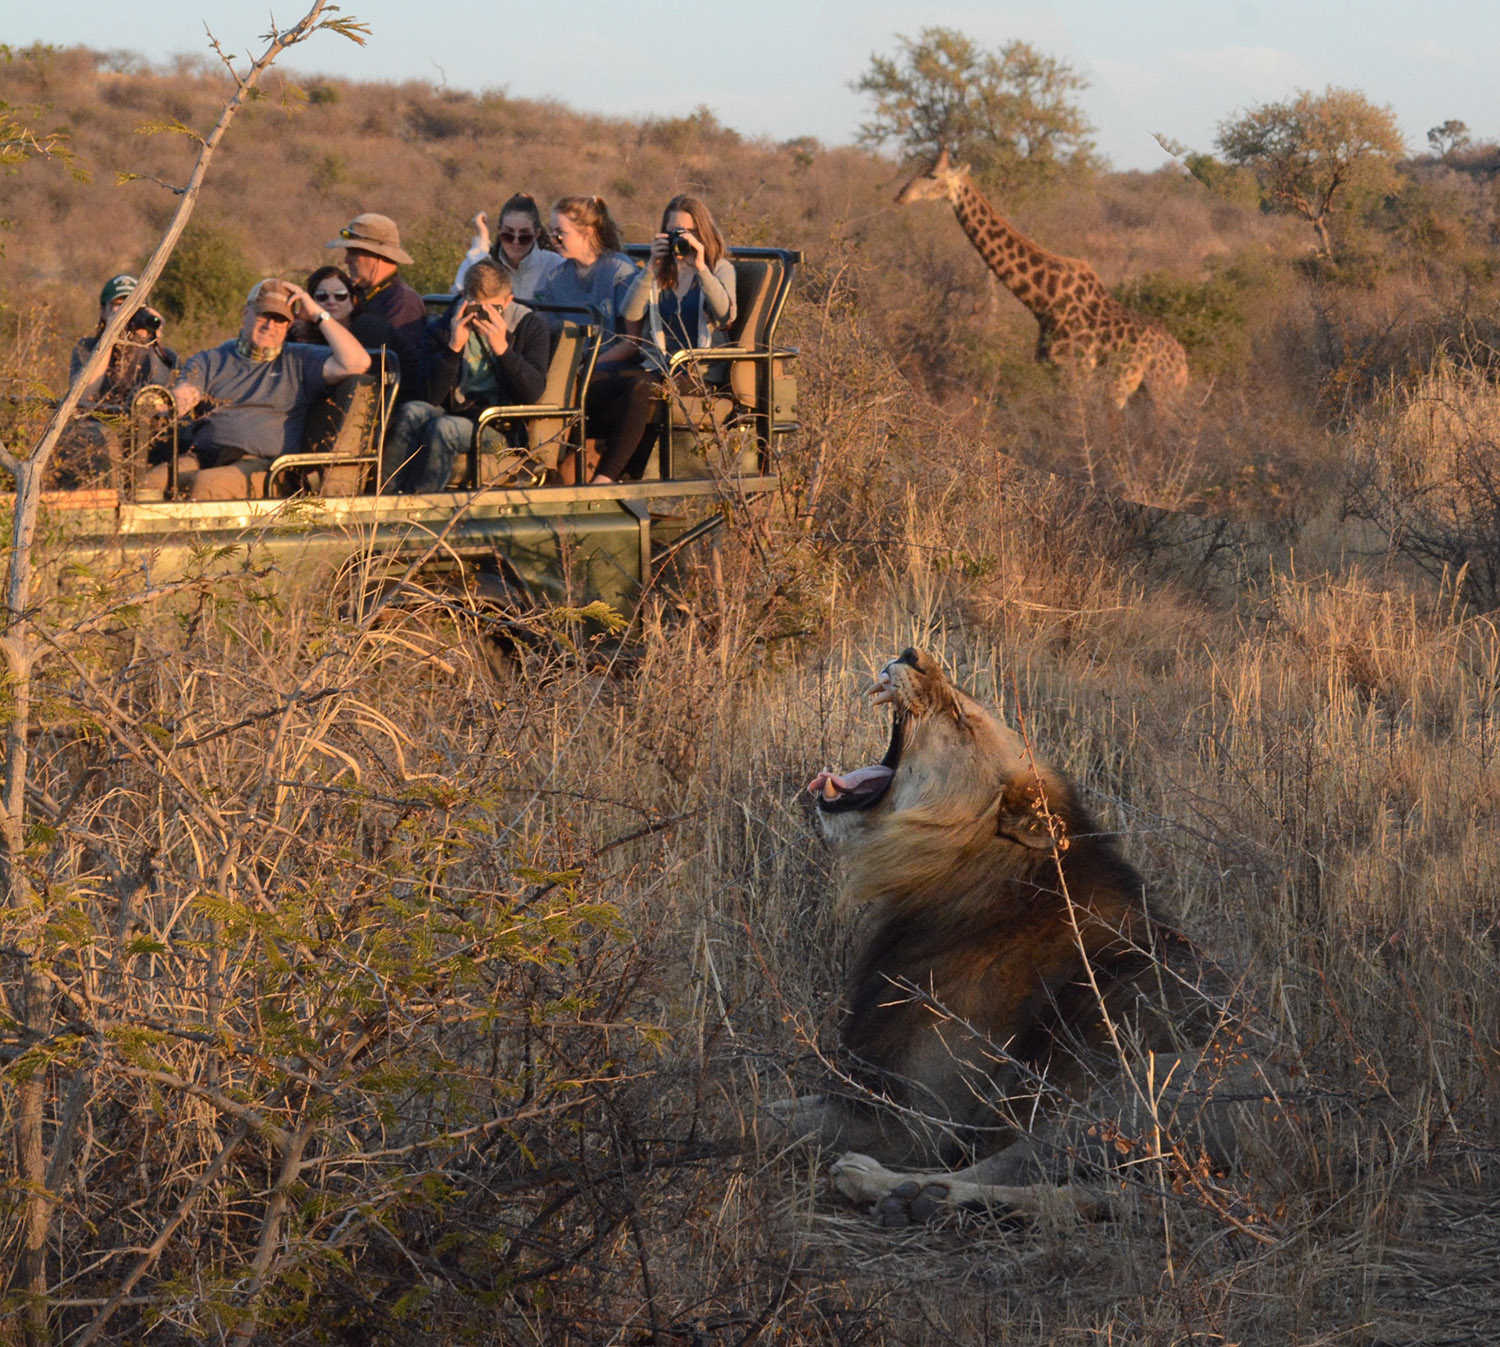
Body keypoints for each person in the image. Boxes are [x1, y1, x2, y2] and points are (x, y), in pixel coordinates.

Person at [139, 278, 370, 501]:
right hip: (205, 457)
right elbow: (184, 396)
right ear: (246, 314)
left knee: (206, 486)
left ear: (288, 325)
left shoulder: (300, 360)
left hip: (264, 467)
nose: (270, 326)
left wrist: (317, 312)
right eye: (263, 315)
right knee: (146, 486)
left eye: (279, 320)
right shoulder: (211, 359)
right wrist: (160, 406)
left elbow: (357, 362)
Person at [381, 258, 550, 492]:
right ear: (464, 298)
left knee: (444, 428)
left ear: (509, 300)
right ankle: (383, 498)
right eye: (476, 308)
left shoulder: (529, 326)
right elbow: (429, 398)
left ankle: (422, 509)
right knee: (410, 413)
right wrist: (453, 349)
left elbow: (532, 393)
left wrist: (503, 350)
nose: (483, 316)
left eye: (494, 309)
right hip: (453, 411)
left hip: (499, 427)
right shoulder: (442, 327)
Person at [530, 194, 652, 484]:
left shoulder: (618, 270)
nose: (554, 239)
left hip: (602, 367)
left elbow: (631, 342)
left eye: (561, 233)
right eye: (551, 232)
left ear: (588, 232)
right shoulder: (556, 276)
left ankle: (602, 476)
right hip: (566, 372)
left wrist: (587, 363)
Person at [54, 273, 178, 489]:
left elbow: (159, 397)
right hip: (98, 433)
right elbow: (85, 395)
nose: (126, 313)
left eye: (134, 306)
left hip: (145, 436)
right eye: (119, 305)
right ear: (102, 311)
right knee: (103, 437)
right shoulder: (86, 347)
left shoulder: (164, 355)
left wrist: (155, 339)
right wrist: (109, 339)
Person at [621, 194, 737, 382]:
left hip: (699, 373)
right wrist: (651, 267)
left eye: (690, 232)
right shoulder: (659, 271)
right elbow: (630, 313)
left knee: (639, 390)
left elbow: (725, 317)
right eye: (675, 232)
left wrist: (701, 268)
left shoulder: (720, 269)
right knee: (597, 381)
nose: (683, 239)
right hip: (656, 367)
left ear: (703, 234)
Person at [325, 213, 427, 401]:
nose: (347, 260)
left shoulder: (402, 302)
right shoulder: (365, 295)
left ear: (377, 257)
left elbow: (394, 370)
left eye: (354, 253)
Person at [453, 192, 564, 302]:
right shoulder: (489, 263)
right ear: (499, 231)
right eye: (508, 235)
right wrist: (482, 238)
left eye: (524, 236)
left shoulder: (554, 266)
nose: (515, 242)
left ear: (536, 234)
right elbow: (461, 289)